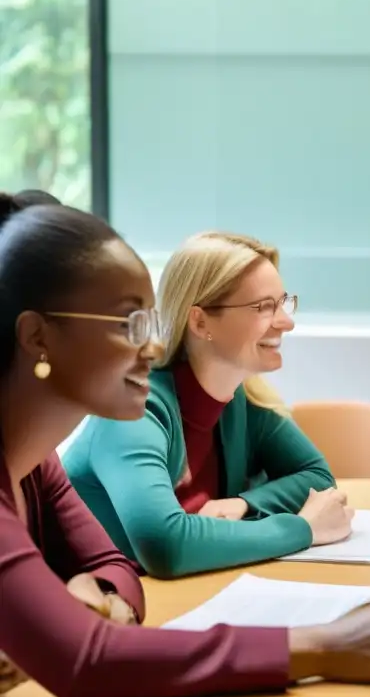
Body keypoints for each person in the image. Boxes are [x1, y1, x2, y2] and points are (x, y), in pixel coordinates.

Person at [0, 197, 370, 697]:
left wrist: (105, 599)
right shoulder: (135, 414)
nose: (152, 348)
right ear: (37, 337)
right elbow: (100, 642)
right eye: (128, 322)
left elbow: (115, 566)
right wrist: (322, 642)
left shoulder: (39, 467)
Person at [62, 231, 350, 579]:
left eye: (283, 302)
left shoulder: (238, 399)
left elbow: (317, 478)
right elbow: (165, 546)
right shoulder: (133, 409)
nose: (286, 322)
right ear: (199, 321)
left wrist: (244, 504)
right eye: (264, 307)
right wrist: (303, 530)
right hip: (91, 606)